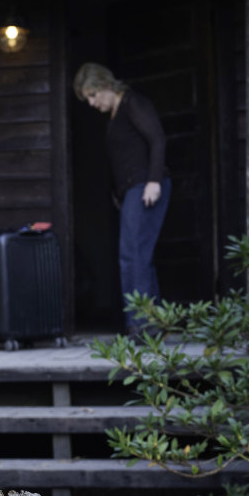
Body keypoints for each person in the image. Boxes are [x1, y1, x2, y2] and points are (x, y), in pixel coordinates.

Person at [73, 62, 170, 338]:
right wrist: (120, 195)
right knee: (138, 256)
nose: (91, 103)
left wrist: (153, 181)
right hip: (132, 191)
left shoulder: (133, 104)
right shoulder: (115, 115)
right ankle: (152, 324)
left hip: (146, 186)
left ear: (105, 85)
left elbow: (158, 140)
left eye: (92, 95)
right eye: (87, 98)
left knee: (133, 256)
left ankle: (140, 325)